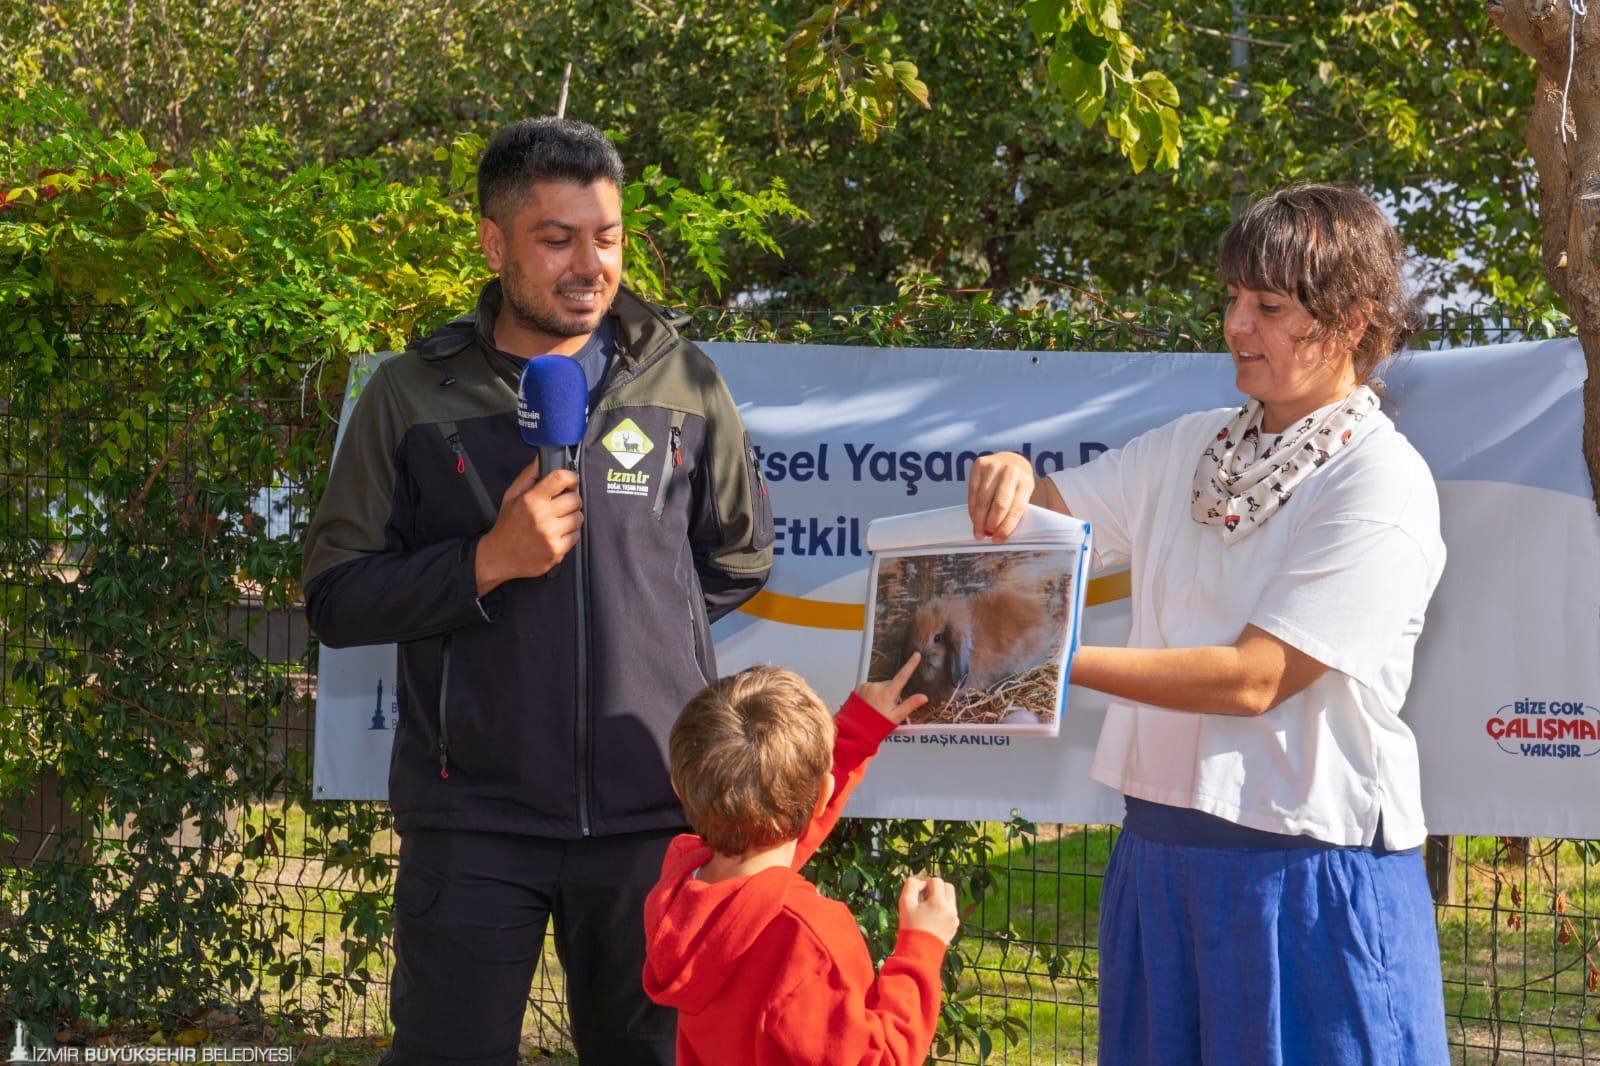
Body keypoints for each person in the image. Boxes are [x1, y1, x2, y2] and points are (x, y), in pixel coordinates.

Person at [302, 117, 774, 1065]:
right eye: (556, 238)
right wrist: (486, 564)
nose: (589, 264)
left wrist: (641, 633)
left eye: (607, 236)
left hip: (654, 817)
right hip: (472, 818)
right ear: (494, 241)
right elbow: (338, 597)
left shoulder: (683, 378)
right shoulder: (409, 394)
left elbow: (736, 560)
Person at [967, 183, 1450, 1064]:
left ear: (1352, 322)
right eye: (1232, 298)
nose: (1236, 325)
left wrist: (1050, 658)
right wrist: (1009, 477)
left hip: (1308, 875)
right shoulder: (1194, 443)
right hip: (1160, 854)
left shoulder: (1380, 483)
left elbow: (1254, 680)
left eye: (1269, 306)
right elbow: (1052, 515)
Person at [642, 655, 959, 1065]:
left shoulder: (686, 889)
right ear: (823, 795)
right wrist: (922, 946)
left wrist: (861, 729)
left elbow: (770, 841)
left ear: (679, 787)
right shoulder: (806, 936)